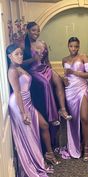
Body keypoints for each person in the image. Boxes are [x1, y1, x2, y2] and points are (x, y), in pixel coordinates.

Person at [7, 44, 59, 177]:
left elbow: (28, 62)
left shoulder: (19, 66)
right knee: (29, 135)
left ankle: (47, 154)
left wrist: (35, 57)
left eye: (21, 53)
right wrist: (23, 113)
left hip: (27, 102)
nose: (20, 56)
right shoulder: (13, 70)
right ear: (9, 56)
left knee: (44, 125)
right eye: (16, 54)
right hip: (20, 105)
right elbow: (17, 92)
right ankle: (36, 162)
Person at [21, 22, 72, 149]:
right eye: (33, 30)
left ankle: (62, 109)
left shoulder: (43, 43)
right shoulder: (23, 46)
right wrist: (33, 59)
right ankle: (52, 116)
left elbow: (47, 61)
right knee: (45, 84)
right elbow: (20, 64)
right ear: (28, 30)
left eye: (37, 31)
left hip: (44, 68)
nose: (36, 33)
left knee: (57, 80)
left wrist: (55, 73)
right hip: (33, 70)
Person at [61, 37, 88, 161]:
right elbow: (66, 76)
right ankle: (75, 144)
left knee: (85, 118)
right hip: (70, 91)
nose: (73, 49)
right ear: (68, 46)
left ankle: (86, 148)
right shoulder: (64, 60)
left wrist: (73, 72)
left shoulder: (84, 57)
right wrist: (64, 79)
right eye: (71, 46)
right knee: (73, 120)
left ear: (79, 47)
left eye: (76, 46)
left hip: (82, 89)